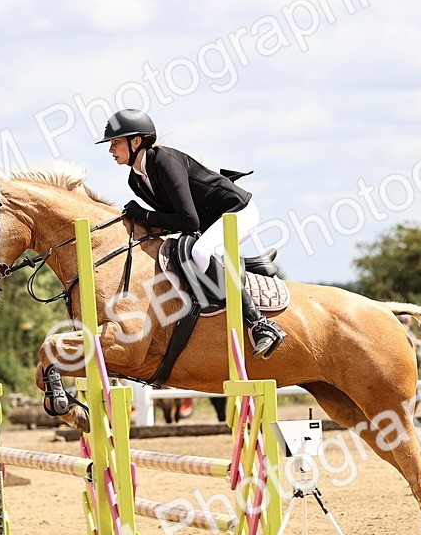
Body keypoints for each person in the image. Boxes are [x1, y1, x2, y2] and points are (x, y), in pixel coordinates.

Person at [96, 108, 286, 359]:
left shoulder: (164, 161)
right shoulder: (136, 179)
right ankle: (250, 265)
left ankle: (261, 324)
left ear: (136, 141)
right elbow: (174, 220)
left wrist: (143, 215)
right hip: (208, 221)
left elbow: (187, 220)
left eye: (115, 142)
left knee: (199, 251)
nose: (111, 149)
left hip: (237, 212)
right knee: (181, 252)